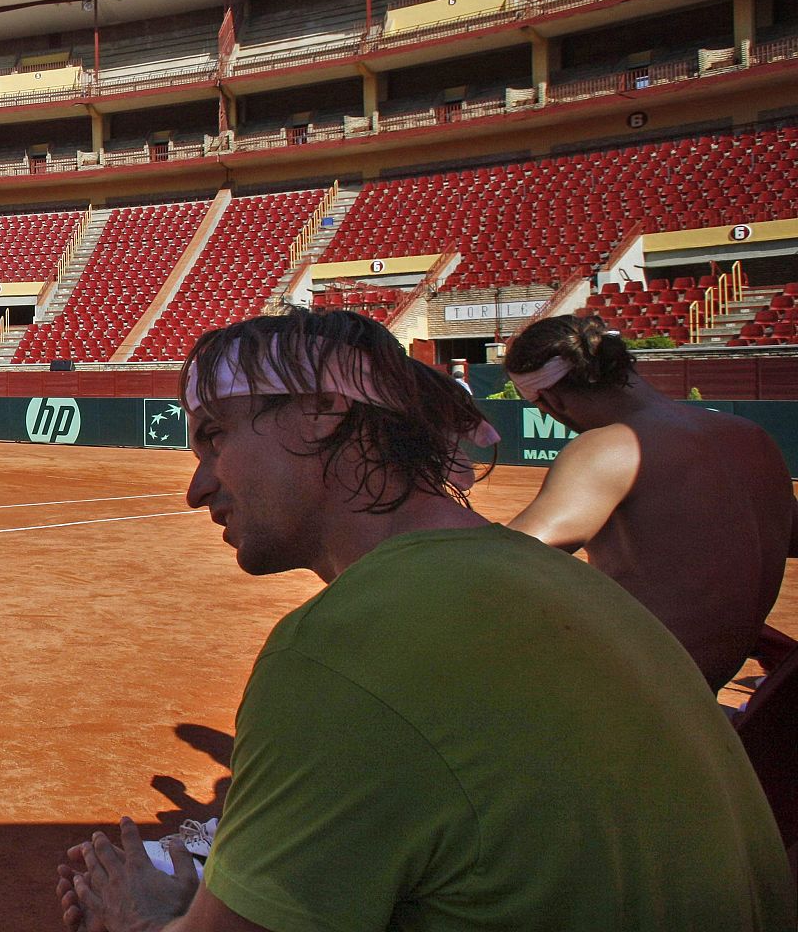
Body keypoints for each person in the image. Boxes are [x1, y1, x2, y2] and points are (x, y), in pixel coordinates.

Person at [58, 308, 795, 932]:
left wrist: (143, 910)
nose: (196, 487)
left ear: (323, 411)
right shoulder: (585, 596)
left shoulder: (340, 651)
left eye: (216, 434)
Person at [506, 314, 797, 692]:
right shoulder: (750, 436)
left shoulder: (608, 447)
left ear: (552, 400)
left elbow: (505, 561)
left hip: (639, 694)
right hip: (702, 688)